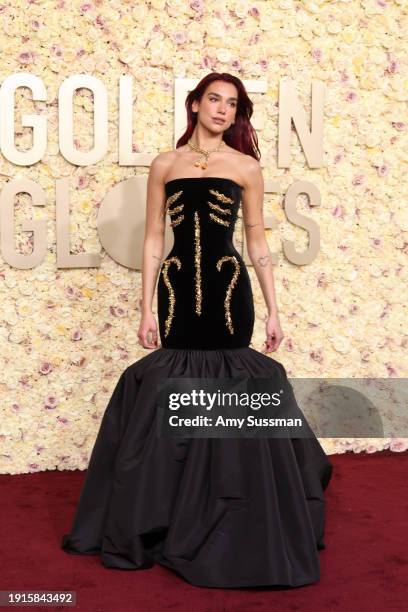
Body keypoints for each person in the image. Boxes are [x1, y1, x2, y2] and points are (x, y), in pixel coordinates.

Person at [61, 72, 333, 589]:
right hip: (177, 291)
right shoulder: (165, 164)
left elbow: (256, 242)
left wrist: (275, 310)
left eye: (232, 104)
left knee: (231, 391)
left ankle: (232, 511)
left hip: (231, 294)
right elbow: (153, 240)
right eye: (214, 99)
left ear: (237, 113)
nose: (223, 110)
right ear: (195, 104)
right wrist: (144, 307)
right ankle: (173, 509)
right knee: (177, 390)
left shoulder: (246, 167)